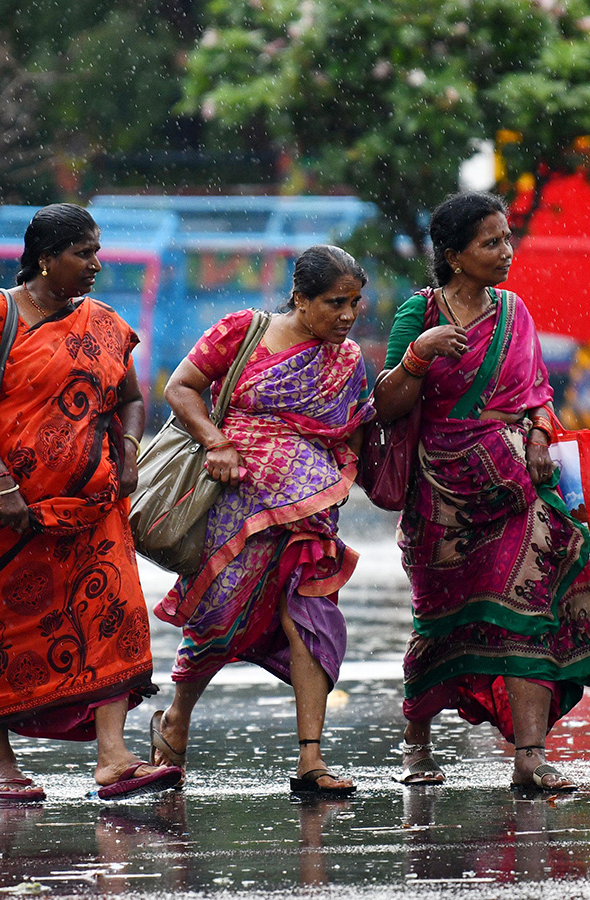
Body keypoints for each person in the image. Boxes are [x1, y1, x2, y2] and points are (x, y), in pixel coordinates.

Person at [372, 190, 590, 791]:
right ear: (454, 255)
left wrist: (541, 434)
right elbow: (386, 406)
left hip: (518, 487)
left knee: (527, 615)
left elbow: (538, 392)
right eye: (491, 242)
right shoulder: (421, 313)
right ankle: (417, 740)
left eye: (506, 238)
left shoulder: (514, 312)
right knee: (441, 623)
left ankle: (530, 755)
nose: (506, 252)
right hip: (441, 498)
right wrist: (417, 357)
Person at [0, 203, 182, 801]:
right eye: (83, 253)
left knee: (114, 615)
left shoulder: (103, 321)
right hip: (8, 515)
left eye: (97, 251)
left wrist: (128, 453)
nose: (96, 264)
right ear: (45, 259)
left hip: (92, 508)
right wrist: (1, 483)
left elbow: (129, 397)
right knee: (4, 631)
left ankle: (113, 757)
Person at [147, 245, 374, 797]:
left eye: (355, 304)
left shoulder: (346, 361)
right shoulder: (244, 331)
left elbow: (351, 430)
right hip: (235, 503)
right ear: (300, 296)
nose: (346, 316)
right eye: (334, 302)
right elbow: (180, 388)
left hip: (309, 514)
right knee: (218, 620)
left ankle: (311, 759)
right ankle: (176, 718)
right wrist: (216, 441)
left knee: (312, 614)